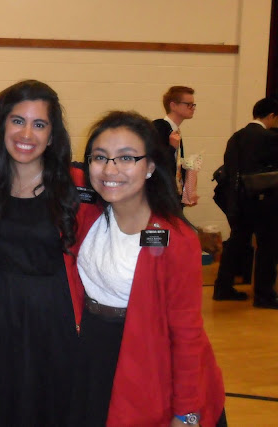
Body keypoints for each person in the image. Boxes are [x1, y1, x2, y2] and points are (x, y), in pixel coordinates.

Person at [67, 111, 226, 426]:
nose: (110, 169)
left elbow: (187, 333)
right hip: (95, 354)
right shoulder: (89, 215)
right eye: (100, 157)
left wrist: (186, 412)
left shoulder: (176, 238)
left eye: (126, 158)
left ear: (151, 166)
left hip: (149, 359)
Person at [0, 80, 80, 426]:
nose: (27, 134)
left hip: (52, 322)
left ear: (52, 135)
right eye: (18, 121)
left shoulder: (75, 187)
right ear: (2, 125)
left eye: (39, 124)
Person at [213, 97, 278, 306]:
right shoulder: (269, 138)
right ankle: (263, 295)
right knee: (267, 247)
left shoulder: (237, 137)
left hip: (237, 200)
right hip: (264, 201)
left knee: (236, 243)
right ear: (272, 116)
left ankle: (223, 288)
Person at [152, 86, 196, 202]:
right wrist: (172, 147)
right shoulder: (159, 127)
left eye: (193, 105)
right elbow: (156, 162)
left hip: (172, 194)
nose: (193, 108)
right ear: (173, 106)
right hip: (161, 196)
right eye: (188, 104)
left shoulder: (175, 131)